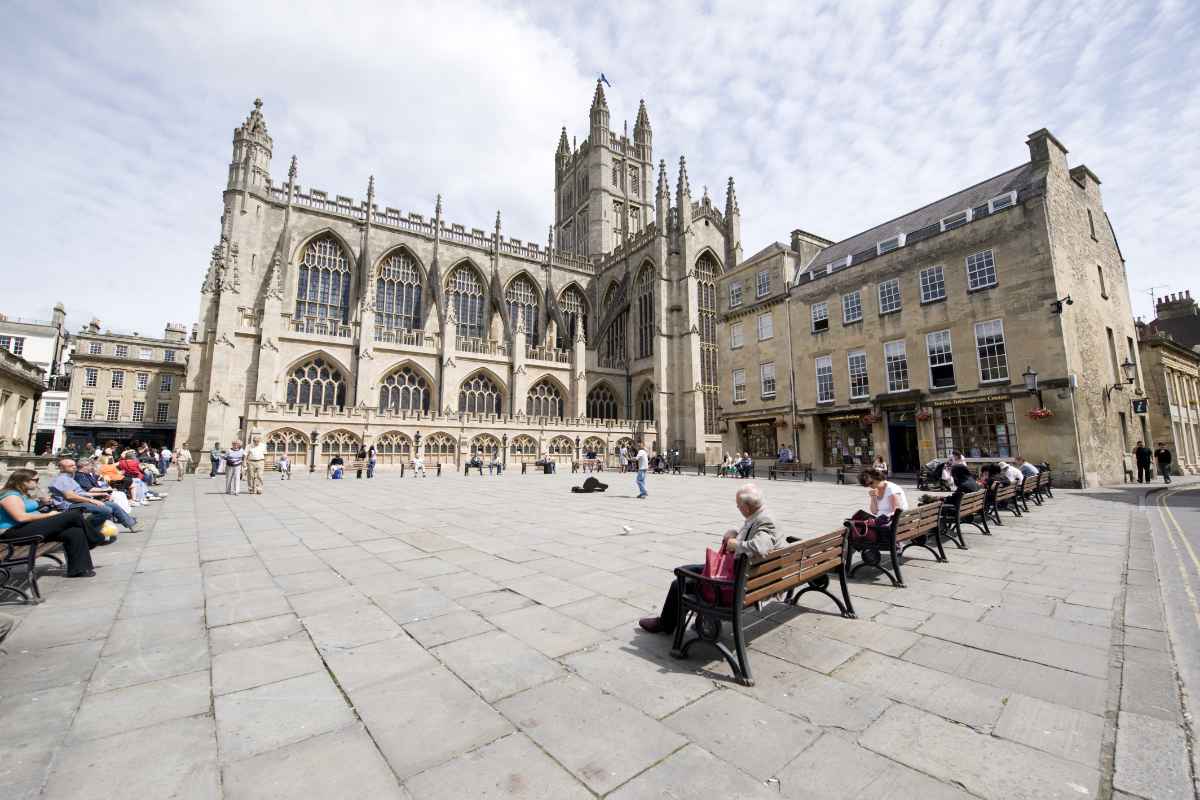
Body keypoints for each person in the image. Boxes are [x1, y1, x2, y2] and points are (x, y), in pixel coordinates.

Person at [639, 483, 779, 634]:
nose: (738, 508)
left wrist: (735, 544)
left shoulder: (765, 521)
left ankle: (666, 624)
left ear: (746, 507)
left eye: (738, 505)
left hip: (736, 584)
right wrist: (734, 533)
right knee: (684, 570)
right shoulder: (760, 515)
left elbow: (760, 546)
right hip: (748, 576)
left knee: (679, 582)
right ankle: (691, 618)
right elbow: (755, 537)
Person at [0, 469, 96, 578]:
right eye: (36, 480)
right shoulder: (10, 495)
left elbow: (28, 510)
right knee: (73, 515)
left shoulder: (21, 493)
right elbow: (21, 517)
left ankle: (79, 570)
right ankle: (95, 539)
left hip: (26, 527)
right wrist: (49, 515)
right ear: (23, 481)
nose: (38, 482)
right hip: (14, 532)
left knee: (73, 531)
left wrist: (42, 502)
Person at [49, 458, 139, 533]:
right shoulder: (62, 479)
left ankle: (131, 524)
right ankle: (89, 530)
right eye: (70, 466)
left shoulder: (69, 478)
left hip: (78, 501)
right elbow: (70, 496)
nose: (74, 467)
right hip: (70, 505)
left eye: (74, 465)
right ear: (61, 468)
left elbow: (81, 493)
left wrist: (101, 493)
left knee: (112, 505)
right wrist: (92, 500)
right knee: (105, 510)